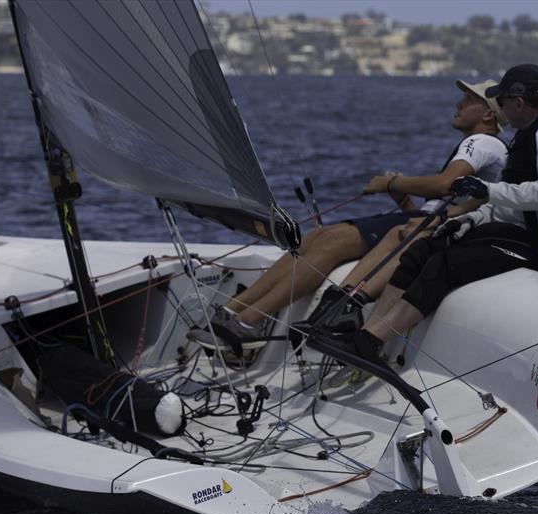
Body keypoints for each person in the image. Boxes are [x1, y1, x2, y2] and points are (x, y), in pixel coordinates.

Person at [188, 79, 509, 360]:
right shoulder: (485, 145)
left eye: (468, 100)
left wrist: (391, 184)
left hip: (432, 223)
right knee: (317, 237)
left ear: (487, 114)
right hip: (424, 217)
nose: (459, 104)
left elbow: (444, 185)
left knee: (331, 242)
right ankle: (233, 312)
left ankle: (247, 320)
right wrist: (404, 199)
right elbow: (453, 196)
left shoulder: (481, 142)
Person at [311, 64, 538, 365]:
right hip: (520, 232)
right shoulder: (528, 135)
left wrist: (485, 190)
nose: (500, 109)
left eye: (501, 101)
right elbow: (507, 200)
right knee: (424, 248)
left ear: (518, 102)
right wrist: (467, 220)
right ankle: (366, 335)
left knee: (447, 264)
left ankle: (368, 342)